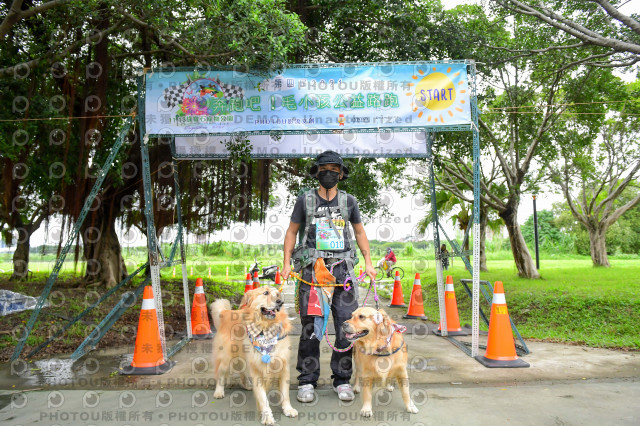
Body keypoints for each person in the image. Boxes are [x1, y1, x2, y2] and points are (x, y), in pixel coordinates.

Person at [281, 150, 376, 404]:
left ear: (341, 174)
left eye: (335, 170)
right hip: (314, 272)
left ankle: (342, 379)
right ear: (317, 172)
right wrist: (286, 264)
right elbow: (291, 233)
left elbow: (359, 233)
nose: (330, 173)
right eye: (325, 169)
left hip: (342, 271)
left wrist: (368, 263)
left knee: (348, 326)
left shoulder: (349, 202)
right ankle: (307, 380)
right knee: (311, 327)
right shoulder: (305, 200)